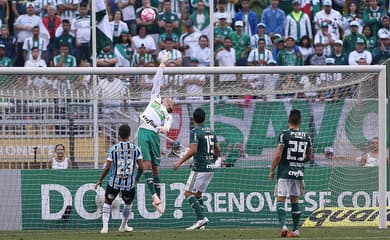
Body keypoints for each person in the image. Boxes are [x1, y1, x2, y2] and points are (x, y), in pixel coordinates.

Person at [173, 108, 221, 230]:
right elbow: (218, 150)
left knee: (188, 193)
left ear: (193, 119)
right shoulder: (211, 131)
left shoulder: (195, 131)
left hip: (200, 168)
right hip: (210, 167)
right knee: (198, 194)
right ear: (204, 118)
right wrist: (212, 161)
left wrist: (179, 161)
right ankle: (202, 225)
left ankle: (201, 219)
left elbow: (193, 150)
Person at [137, 54, 174, 215]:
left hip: (154, 135)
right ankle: (154, 196)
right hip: (144, 131)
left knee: (156, 169)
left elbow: (167, 126)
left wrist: (164, 129)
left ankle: (157, 198)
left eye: (171, 100)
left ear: (170, 105)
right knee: (146, 164)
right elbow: (157, 81)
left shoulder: (168, 114)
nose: (169, 98)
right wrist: (162, 64)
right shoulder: (155, 99)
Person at [269, 109, 312, 237]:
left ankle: (283, 226)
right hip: (298, 172)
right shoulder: (307, 137)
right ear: (301, 121)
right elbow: (309, 156)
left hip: (284, 171)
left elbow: (278, 155)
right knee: (295, 201)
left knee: (280, 199)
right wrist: (299, 162)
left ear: (288, 120)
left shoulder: (284, 135)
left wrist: (272, 170)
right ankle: (296, 230)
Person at [95, 124, 143, 234]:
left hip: (114, 182)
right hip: (129, 183)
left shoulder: (114, 149)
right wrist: (137, 178)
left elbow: (107, 166)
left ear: (118, 135)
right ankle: (123, 226)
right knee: (128, 204)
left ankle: (105, 228)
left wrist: (100, 179)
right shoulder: (136, 149)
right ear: (130, 135)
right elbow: (141, 167)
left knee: (107, 202)